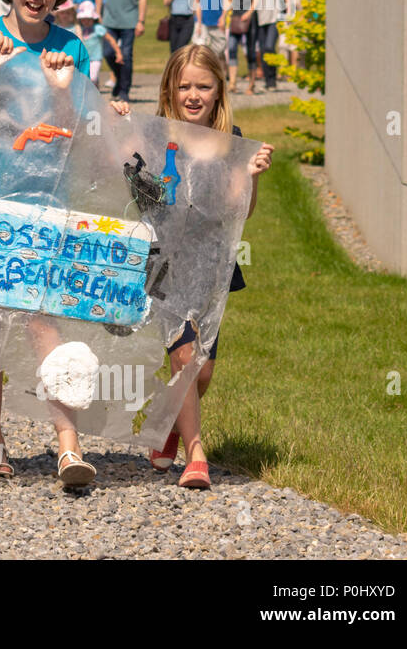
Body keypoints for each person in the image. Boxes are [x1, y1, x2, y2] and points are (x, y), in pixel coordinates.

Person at [0, 0, 127, 485]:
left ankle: (68, 445)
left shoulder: (71, 47)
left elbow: (78, 131)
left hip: (47, 199)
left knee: (42, 319)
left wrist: (63, 88)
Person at [150, 44, 273, 488]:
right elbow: (120, 171)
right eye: (184, 86)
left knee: (201, 371)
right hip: (163, 265)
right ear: (169, 89)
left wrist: (251, 177)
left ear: (220, 90)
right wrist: (119, 118)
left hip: (210, 266)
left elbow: (238, 210)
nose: (193, 94)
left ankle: (167, 426)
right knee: (183, 356)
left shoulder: (232, 142)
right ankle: (195, 451)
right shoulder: (154, 134)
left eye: (204, 85)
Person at [94, 0, 146, 103]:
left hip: (130, 21)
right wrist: (97, 14)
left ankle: (124, 90)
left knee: (126, 56)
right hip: (109, 20)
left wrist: (141, 21)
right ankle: (118, 77)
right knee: (108, 53)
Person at [248, 0, 285, 91]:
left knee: (269, 47)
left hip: (274, 18)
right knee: (263, 50)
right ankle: (268, 80)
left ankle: (272, 79)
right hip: (259, 19)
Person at [68, 0, 121, 86]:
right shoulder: (78, 29)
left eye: (88, 19)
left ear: (93, 18)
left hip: (95, 58)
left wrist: (118, 52)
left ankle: (94, 86)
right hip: (83, 58)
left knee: (92, 78)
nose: (86, 21)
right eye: (83, 19)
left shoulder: (98, 29)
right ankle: (91, 93)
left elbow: (110, 39)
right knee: (83, 78)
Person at [226, 0, 255, 93]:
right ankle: (232, 83)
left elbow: (256, 1)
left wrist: (248, 13)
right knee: (231, 48)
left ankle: (251, 84)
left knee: (250, 52)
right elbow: (229, 0)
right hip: (236, 17)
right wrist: (224, 15)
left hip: (250, 20)